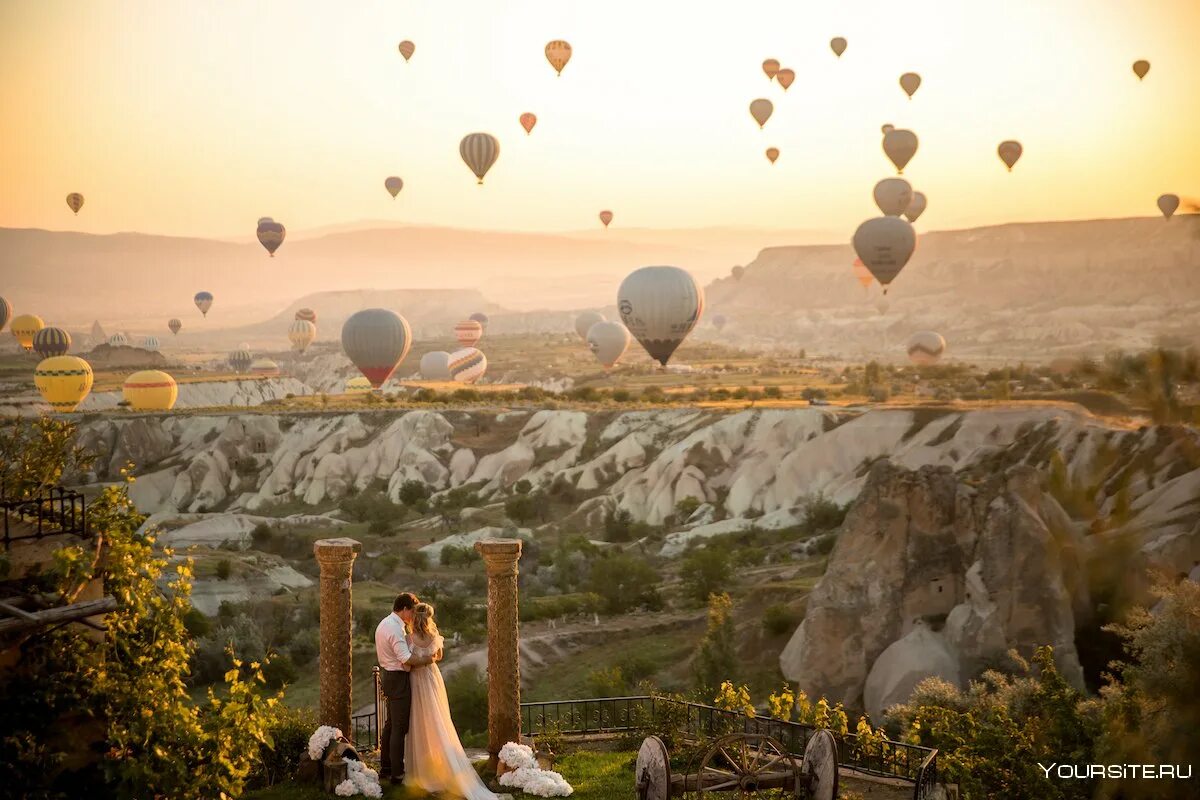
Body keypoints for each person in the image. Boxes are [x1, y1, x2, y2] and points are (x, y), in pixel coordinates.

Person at [404, 602, 498, 800]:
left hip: (415, 679)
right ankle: (442, 762)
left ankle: (421, 771)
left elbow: (407, 662)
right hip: (431, 678)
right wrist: (428, 658)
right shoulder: (434, 638)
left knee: (418, 720)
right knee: (437, 717)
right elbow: (438, 656)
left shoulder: (408, 639)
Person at [375, 592, 436, 785]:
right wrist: (428, 660)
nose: (413, 616)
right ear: (404, 609)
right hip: (398, 679)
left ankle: (385, 768)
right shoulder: (395, 629)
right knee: (399, 728)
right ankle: (397, 773)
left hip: (389, 676)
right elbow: (406, 658)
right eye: (411, 611)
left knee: (391, 725)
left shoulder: (385, 623)